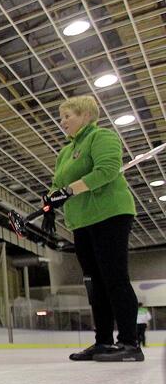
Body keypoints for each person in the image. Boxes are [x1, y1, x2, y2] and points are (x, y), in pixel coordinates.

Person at [44, 96, 142, 362]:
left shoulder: (102, 136)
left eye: (67, 116)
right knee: (94, 283)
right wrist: (50, 199)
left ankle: (130, 343)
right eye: (61, 116)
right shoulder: (65, 152)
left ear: (86, 115)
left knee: (114, 278)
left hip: (109, 214)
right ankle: (103, 342)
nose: (62, 121)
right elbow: (57, 183)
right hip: (82, 221)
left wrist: (69, 190)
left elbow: (107, 170)